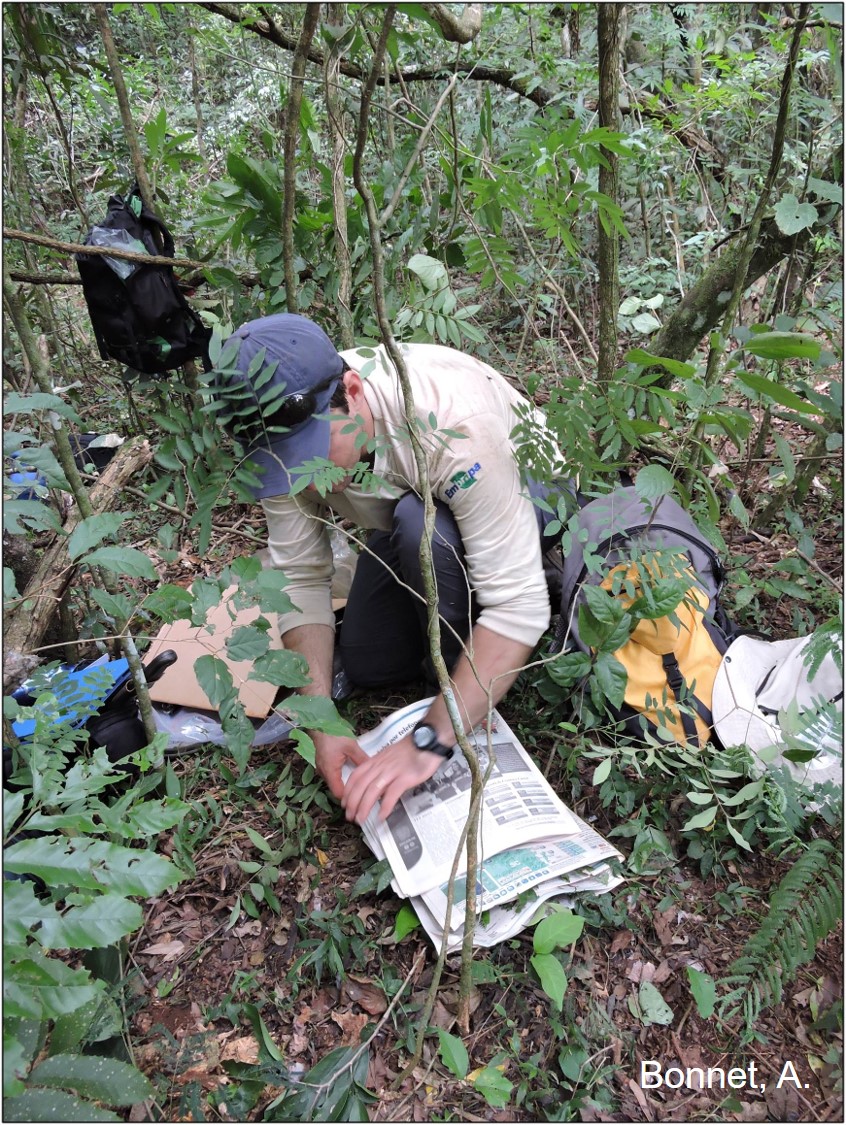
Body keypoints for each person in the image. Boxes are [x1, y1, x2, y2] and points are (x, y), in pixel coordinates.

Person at [216, 313, 570, 826]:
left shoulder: (452, 423)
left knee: (420, 525)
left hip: (529, 495)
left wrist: (429, 740)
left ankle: (463, 679)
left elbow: (519, 606)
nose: (304, 476)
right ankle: (450, 654)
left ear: (354, 391)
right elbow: (301, 577)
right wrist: (321, 722)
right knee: (367, 663)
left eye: (312, 454)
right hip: (409, 510)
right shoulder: (282, 443)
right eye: (285, 464)